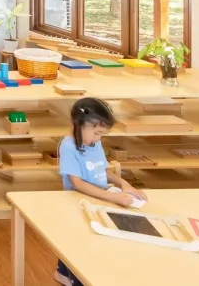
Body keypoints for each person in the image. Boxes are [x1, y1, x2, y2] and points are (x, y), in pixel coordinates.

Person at [55, 97, 148, 286]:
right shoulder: (68, 146)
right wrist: (113, 197)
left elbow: (102, 170)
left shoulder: (93, 142)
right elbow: (77, 183)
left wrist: (124, 184)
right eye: (97, 133)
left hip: (99, 198)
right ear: (79, 125)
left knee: (87, 240)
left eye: (102, 135)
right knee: (81, 243)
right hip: (78, 201)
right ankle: (75, 279)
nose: (98, 139)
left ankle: (61, 272)